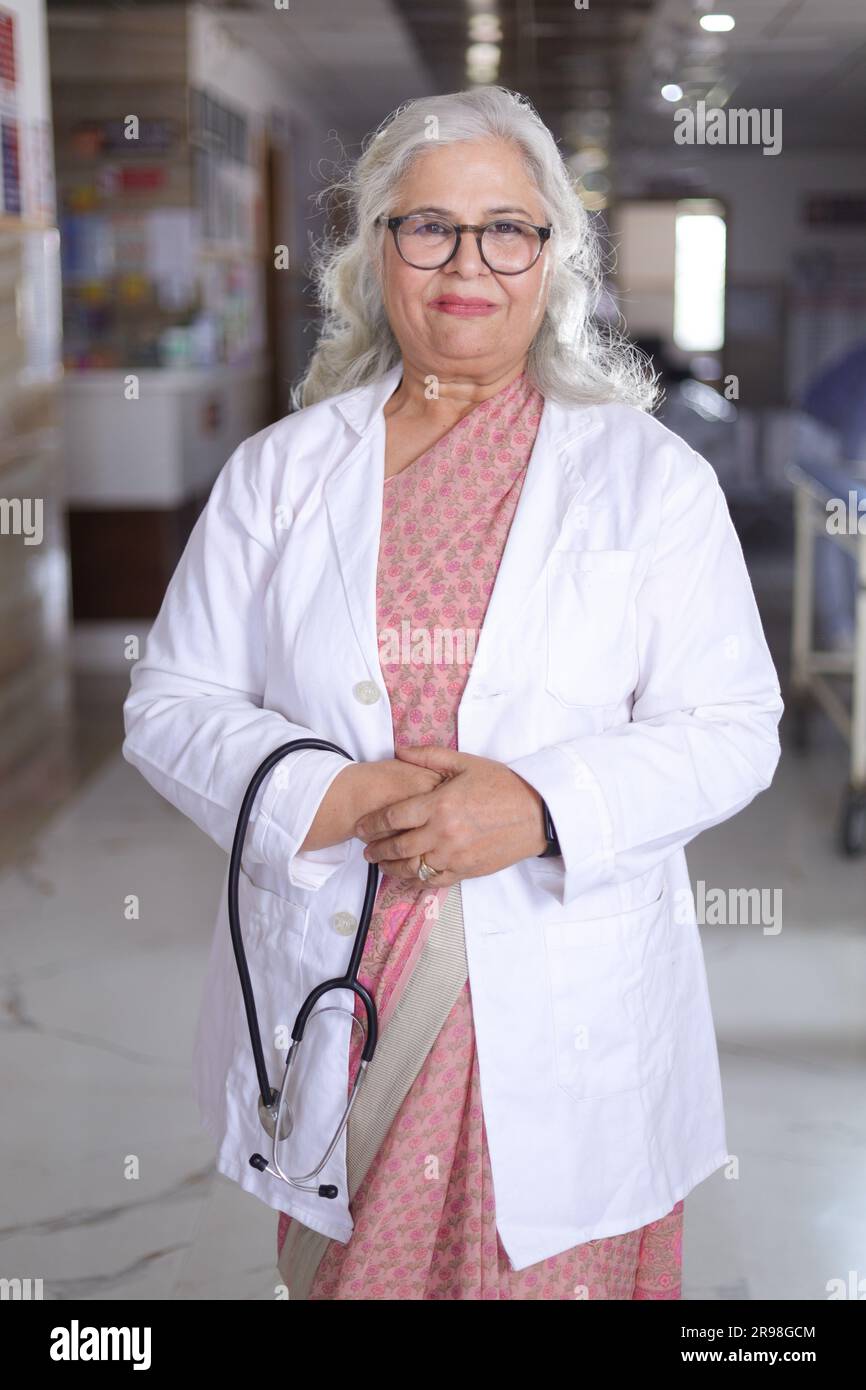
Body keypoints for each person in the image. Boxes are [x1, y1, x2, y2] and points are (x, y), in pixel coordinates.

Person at [121, 85, 784, 1300]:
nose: (464, 265)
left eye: (504, 229)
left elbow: (734, 728)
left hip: (569, 999)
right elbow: (170, 701)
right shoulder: (280, 476)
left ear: (551, 255)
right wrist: (338, 793)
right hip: (350, 987)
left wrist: (534, 807)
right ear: (377, 252)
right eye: (426, 227)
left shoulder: (648, 482)